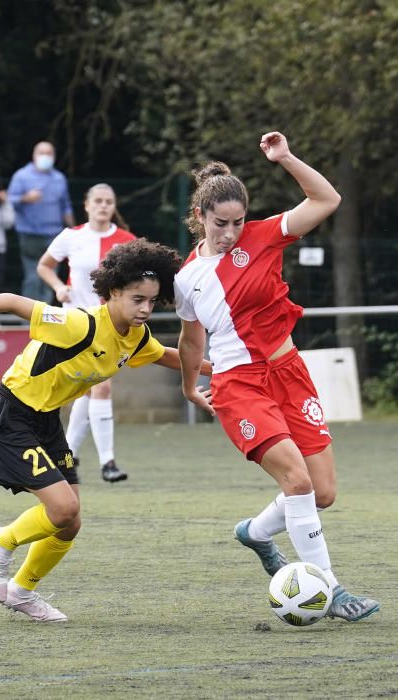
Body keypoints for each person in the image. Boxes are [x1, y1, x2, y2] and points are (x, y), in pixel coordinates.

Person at [0, 239, 211, 622]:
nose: (146, 308)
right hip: (10, 414)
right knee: (63, 508)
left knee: (70, 522)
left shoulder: (135, 336)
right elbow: (13, 301)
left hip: (46, 421)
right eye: (136, 299)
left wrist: (228, 369)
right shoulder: (79, 324)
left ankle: (22, 591)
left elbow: (165, 355)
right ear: (114, 291)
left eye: (152, 300)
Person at [174, 131, 380, 623]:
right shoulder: (186, 278)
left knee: (322, 491)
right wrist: (187, 386)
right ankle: (330, 591)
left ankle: (257, 533)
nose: (229, 232)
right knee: (296, 479)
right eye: (220, 223)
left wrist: (286, 159)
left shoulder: (264, 236)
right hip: (238, 386)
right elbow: (191, 341)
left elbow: (327, 199)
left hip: (289, 373)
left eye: (237, 222)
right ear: (200, 217)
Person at [37, 183, 136, 483]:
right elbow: (44, 266)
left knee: (90, 386)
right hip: (76, 322)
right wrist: (59, 288)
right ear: (87, 205)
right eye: (98, 201)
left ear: (113, 205)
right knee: (97, 386)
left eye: (109, 201)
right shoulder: (71, 237)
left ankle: (68, 452)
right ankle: (107, 463)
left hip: (109, 326)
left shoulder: (126, 242)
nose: (103, 206)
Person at [7, 141, 74, 301]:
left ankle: (46, 317)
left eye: (49, 153)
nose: (45, 157)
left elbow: (66, 206)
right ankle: (29, 316)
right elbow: (9, 201)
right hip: (29, 235)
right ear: (34, 155)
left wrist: (73, 229)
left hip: (54, 236)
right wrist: (26, 198)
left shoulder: (59, 178)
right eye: (42, 153)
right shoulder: (21, 176)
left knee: (50, 278)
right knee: (33, 277)